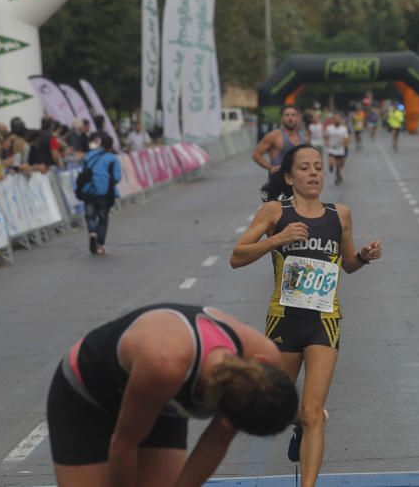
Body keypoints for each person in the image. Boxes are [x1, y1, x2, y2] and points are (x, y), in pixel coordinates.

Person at [230, 144, 382, 487]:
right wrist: (277, 239)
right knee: (276, 406)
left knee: (313, 412)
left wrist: (363, 255)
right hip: (284, 320)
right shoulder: (274, 212)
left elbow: (347, 264)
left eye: (318, 167)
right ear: (289, 176)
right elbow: (236, 257)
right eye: (304, 168)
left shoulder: (339, 214)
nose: (313, 173)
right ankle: (300, 421)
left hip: (324, 322)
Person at [47, 303, 298, 487]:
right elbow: (124, 444)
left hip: (157, 401)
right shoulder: (164, 364)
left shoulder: (262, 369)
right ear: (259, 360)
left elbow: (216, 442)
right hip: (86, 398)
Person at [79, 134, 122, 255]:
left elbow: (83, 172)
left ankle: (92, 232)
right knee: (103, 218)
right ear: (110, 146)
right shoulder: (113, 159)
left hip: (88, 191)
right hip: (104, 193)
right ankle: (99, 244)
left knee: (90, 216)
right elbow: (117, 177)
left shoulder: (89, 156)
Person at [252, 105, 306, 173]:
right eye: (287, 115)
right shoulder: (274, 136)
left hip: (298, 179)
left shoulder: (303, 136)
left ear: (297, 118)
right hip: (279, 179)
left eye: (293, 115)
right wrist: (270, 167)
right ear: (282, 118)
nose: (290, 118)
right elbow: (256, 154)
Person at [324, 113, 349, 185]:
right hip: (331, 148)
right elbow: (326, 136)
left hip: (340, 149)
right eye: (336, 119)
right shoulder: (329, 128)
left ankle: (338, 176)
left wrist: (345, 141)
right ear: (333, 120)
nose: (337, 120)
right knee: (331, 162)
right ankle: (331, 166)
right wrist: (327, 142)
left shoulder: (343, 129)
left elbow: (346, 138)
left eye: (339, 119)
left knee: (339, 166)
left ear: (340, 120)